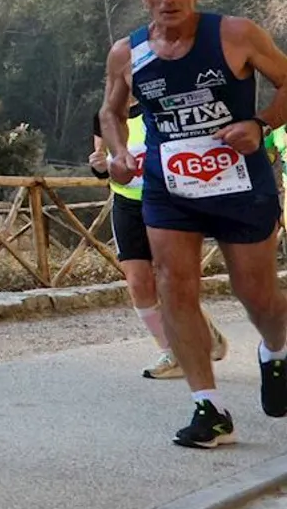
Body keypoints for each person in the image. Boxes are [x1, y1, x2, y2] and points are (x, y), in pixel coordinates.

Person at [100, 0, 287, 449]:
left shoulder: (235, 34)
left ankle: (275, 350)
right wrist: (118, 153)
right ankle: (209, 406)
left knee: (258, 296)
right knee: (173, 287)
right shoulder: (129, 52)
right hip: (170, 187)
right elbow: (110, 113)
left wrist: (260, 124)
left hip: (239, 182)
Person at [88, 107, 228, 378]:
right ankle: (170, 352)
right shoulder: (103, 116)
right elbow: (102, 165)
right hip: (127, 204)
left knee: (171, 281)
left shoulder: (160, 107)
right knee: (139, 284)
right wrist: (99, 166)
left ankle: (202, 329)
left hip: (165, 202)